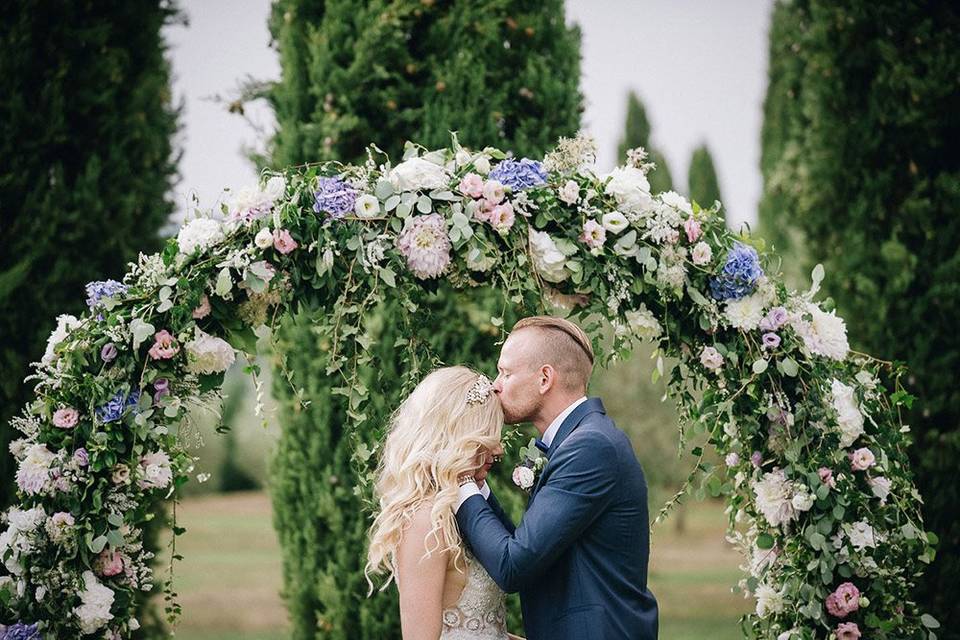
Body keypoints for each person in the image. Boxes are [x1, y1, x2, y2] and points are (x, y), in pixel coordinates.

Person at [455, 316, 659, 640]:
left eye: (506, 373)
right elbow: (530, 551)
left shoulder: (591, 448)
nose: (495, 384)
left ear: (545, 378)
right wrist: (478, 485)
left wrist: (461, 482)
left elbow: (513, 566)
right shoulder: (580, 441)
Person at [366, 366, 523, 640]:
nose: (498, 449)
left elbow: (480, 629)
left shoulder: (461, 508)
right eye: (486, 435)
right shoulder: (424, 522)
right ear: (454, 438)